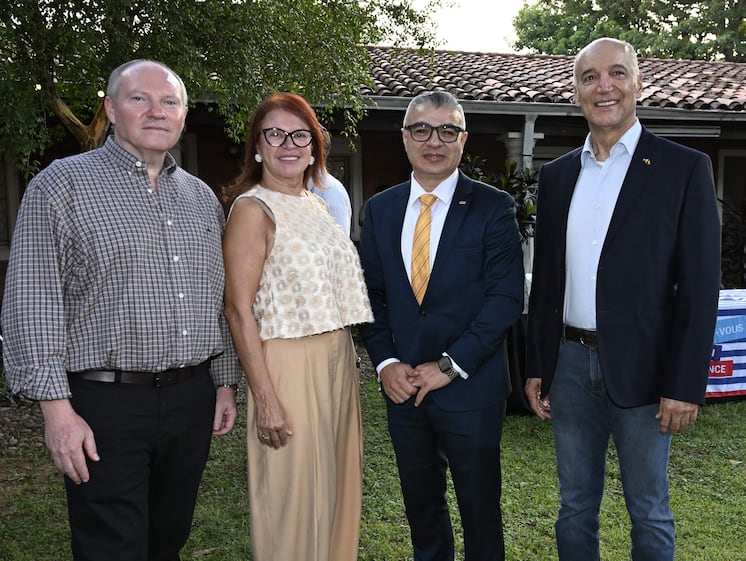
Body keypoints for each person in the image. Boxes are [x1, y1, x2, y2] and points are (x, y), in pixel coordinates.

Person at [0, 59, 241, 561]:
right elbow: (32, 301)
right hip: (105, 404)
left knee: (167, 539)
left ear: (183, 114)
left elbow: (217, 300)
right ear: (111, 109)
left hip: (190, 400)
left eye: (169, 102)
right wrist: (57, 412)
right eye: (139, 99)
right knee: (112, 546)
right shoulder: (60, 186)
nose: (157, 111)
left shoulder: (201, 200)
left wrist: (223, 381)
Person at [524, 38, 721, 561]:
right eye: (590, 77)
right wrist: (538, 362)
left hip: (648, 370)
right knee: (574, 507)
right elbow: (546, 282)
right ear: (576, 92)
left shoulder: (684, 169)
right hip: (567, 366)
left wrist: (685, 385)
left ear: (637, 83)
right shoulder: (557, 176)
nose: (603, 86)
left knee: (650, 509)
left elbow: (700, 290)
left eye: (616, 74)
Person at [359, 90, 524, 561]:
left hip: (470, 387)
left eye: (447, 130)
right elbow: (371, 294)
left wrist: (450, 365)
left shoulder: (493, 207)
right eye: (422, 129)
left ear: (463, 139)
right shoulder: (382, 208)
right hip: (403, 388)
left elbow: (506, 297)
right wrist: (386, 362)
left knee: (479, 510)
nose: (435, 140)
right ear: (405, 138)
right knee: (422, 507)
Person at [221, 92, 373, 561]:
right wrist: (265, 397)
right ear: (257, 146)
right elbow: (237, 310)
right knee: (293, 496)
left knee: (336, 485)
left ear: (314, 146)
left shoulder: (316, 204)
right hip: (286, 360)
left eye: (300, 134)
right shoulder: (253, 209)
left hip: (337, 357)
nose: (288, 144)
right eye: (275, 134)